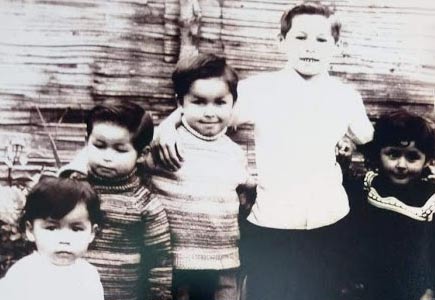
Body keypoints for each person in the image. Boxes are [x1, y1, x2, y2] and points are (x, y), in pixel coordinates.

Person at [153, 2, 374, 299]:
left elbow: (367, 137)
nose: (310, 47)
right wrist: (166, 127)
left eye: (321, 40)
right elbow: (212, 113)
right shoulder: (259, 90)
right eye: (300, 37)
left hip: (329, 218)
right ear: (281, 41)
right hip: (273, 221)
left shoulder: (345, 96)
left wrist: (348, 146)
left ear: (336, 46)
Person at [146, 53, 255, 300]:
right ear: (180, 102)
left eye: (219, 102)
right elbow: (120, 152)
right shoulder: (166, 142)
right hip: (176, 260)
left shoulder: (234, 152)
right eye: (199, 102)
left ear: (233, 104)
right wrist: (72, 173)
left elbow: (240, 188)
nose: (209, 112)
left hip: (224, 259)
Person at [59, 100, 172, 300]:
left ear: (142, 154)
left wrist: (159, 296)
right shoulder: (70, 190)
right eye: (99, 146)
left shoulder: (144, 203)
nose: (107, 157)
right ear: (87, 141)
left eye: (120, 150)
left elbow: (159, 260)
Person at [345, 110, 435, 300]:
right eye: (393, 154)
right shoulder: (368, 185)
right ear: (379, 154)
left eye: (412, 157)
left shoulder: (430, 199)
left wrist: (430, 290)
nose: (401, 164)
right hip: (368, 285)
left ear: (427, 160)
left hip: (412, 290)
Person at [0, 176, 104, 300]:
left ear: (92, 232)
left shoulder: (88, 275)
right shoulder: (23, 274)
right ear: (30, 230)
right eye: (51, 228)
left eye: (76, 229)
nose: (64, 239)